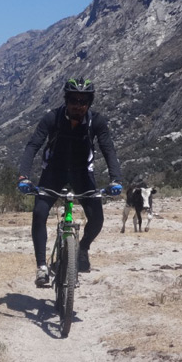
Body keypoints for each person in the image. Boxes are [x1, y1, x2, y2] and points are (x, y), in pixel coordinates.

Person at [17, 78, 123, 287]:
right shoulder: (52, 118)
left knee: (97, 218)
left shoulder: (97, 122)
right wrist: (23, 176)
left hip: (82, 173)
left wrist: (116, 179)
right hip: (54, 172)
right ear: (66, 100)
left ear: (89, 103)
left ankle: (82, 248)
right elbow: (32, 146)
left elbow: (108, 149)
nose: (78, 105)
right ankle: (42, 267)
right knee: (39, 213)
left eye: (83, 101)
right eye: (74, 100)